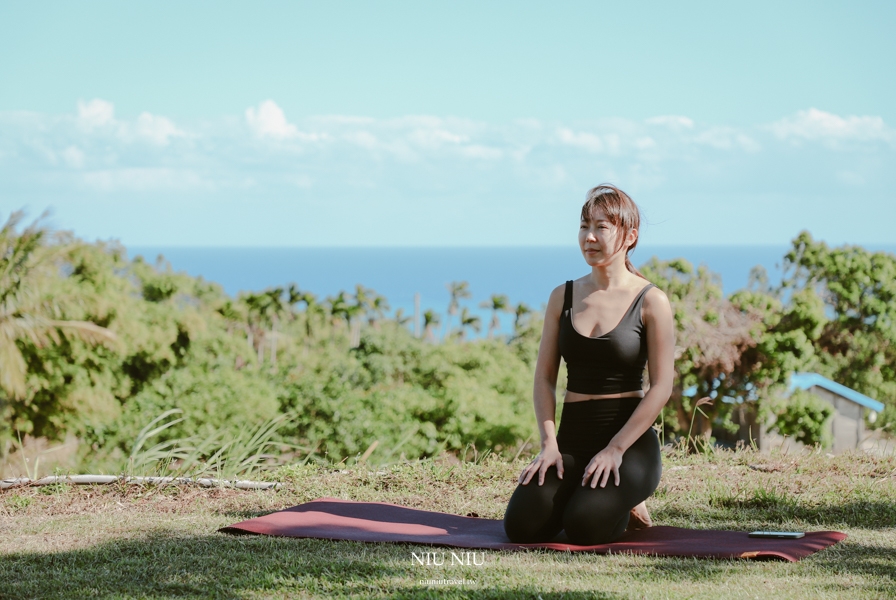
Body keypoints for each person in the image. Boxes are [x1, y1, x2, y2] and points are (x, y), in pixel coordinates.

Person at [503, 184, 675, 545]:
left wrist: (615, 449)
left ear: (630, 236)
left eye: (601, 227)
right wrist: (548, 444)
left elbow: (662, 386)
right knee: (521, 527)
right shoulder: (562, 296)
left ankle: (628, 501)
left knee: (584, 527)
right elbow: (545, 379)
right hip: (570, 442)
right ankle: (583, 492)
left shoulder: (651, 300)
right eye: (584, 226)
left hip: (629, 446)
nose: (589, 237)